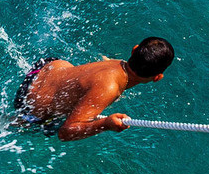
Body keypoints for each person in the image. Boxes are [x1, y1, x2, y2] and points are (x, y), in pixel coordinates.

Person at [12, 37, 175, 142]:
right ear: (157, 77)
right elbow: (65, 133)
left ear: (134, 50)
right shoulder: (110, 88)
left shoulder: (117, 63)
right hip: (29, 106)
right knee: (45, 127)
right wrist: (105, 124)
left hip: (43, 68)